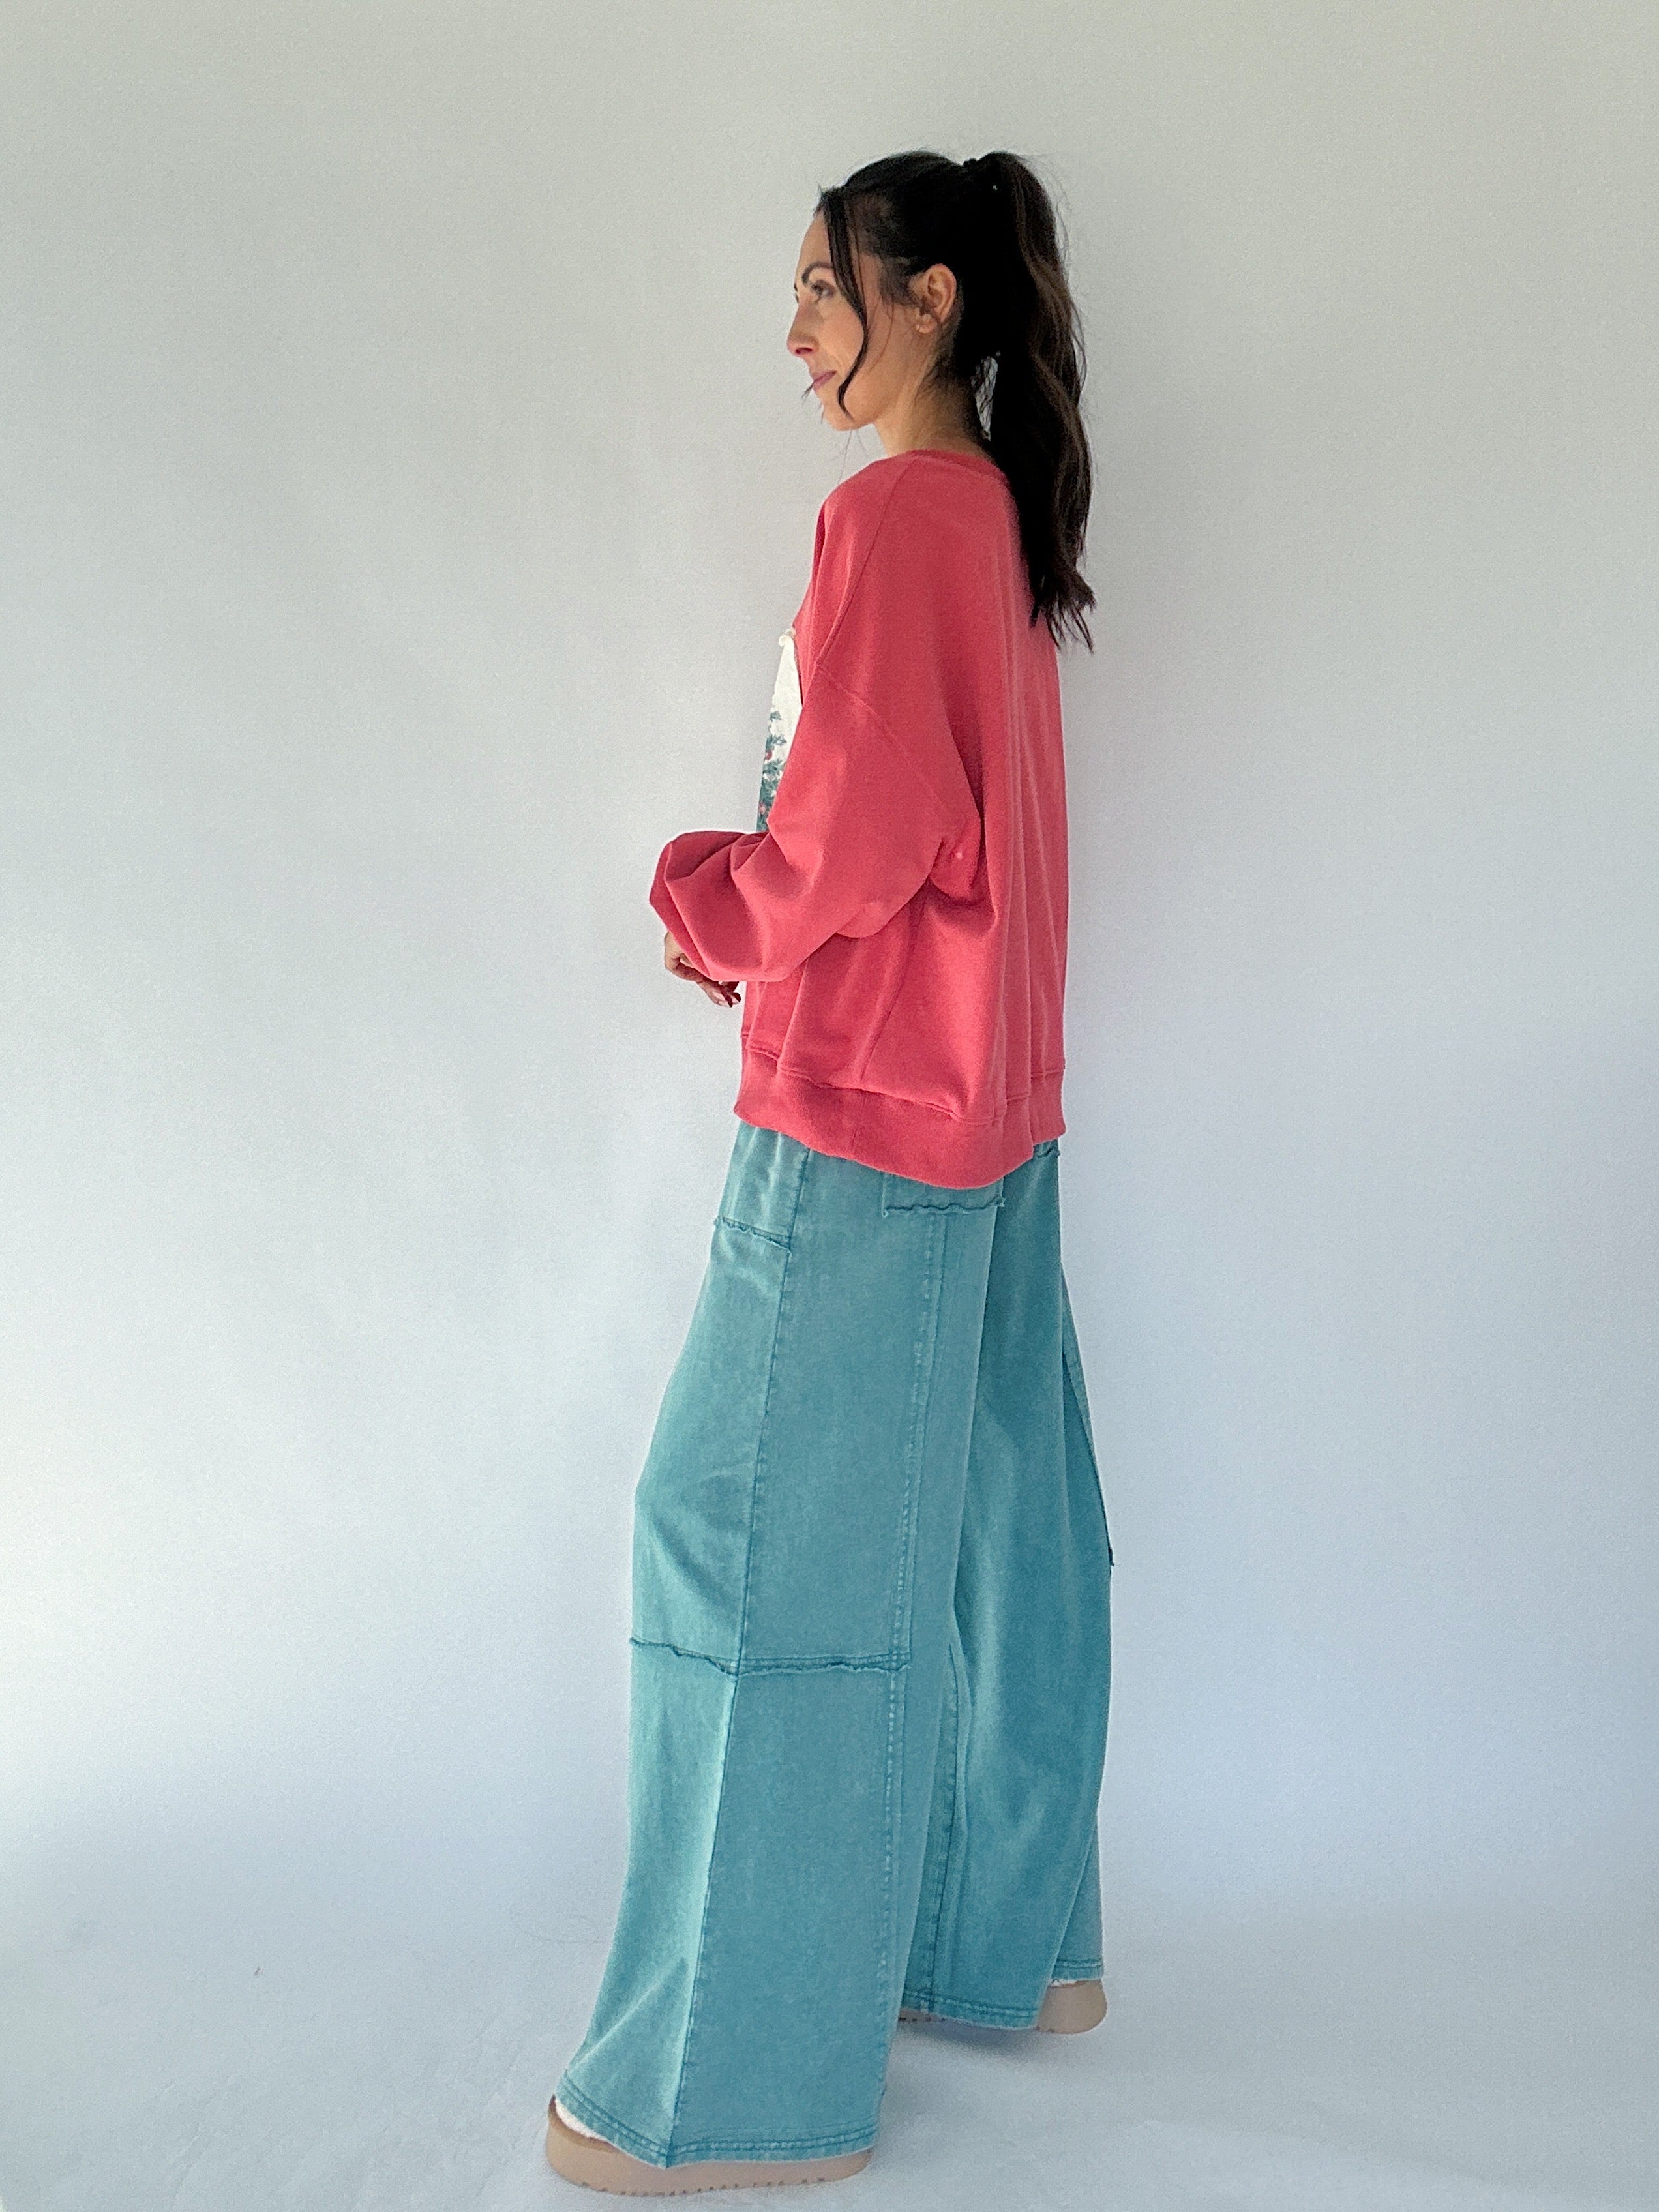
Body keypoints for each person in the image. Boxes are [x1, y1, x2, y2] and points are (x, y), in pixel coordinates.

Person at [545, 147, 1114, 2194]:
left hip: (867, 1105)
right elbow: (945, 828)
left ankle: (728, 2085)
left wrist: (715, 905)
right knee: (993, 1528)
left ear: (929, 298)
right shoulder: (995, 520)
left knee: (736, 1542)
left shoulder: (897, 517)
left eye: (822, 288)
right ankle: (1001, 1946)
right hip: (992, 1104)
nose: (795, 332)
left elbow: (856, 836)